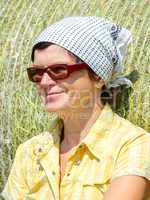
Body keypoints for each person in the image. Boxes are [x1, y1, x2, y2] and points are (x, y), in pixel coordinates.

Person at [1, 16, 150, 200]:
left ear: (98, 76)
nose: (45, 82)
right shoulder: (29, 152)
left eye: (59, 70)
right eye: (37, 73)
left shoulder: (133, 145)